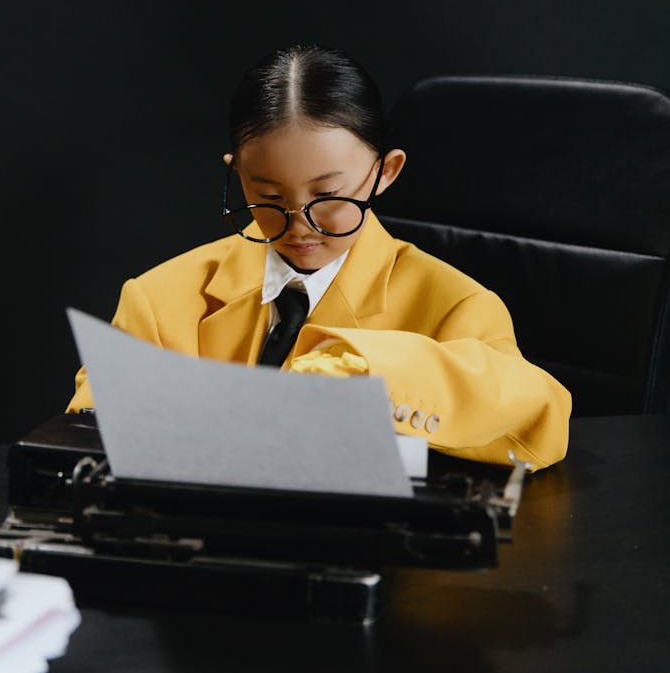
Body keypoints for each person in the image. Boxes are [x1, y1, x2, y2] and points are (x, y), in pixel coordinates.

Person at [67, 44, 571, 470]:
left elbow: (540, 422)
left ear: (385, 173)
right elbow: (87, 439)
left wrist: (361, 372)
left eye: (329, 197)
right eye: (266, 196)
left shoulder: (455, 304)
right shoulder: (160, 298)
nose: (299, 225)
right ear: (237, 172)